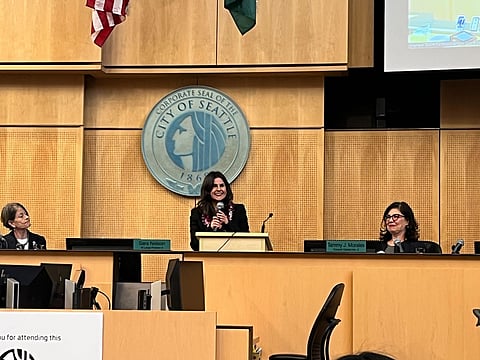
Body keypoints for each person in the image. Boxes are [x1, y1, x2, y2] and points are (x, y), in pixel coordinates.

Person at [189, 171, 249, 251]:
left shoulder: (239, 210)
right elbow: (194, 245)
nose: (219, 189)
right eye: (214, 186)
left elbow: (246, 239)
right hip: (208, 258)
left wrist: (227, 223)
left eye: (221, 186)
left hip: (234, 257)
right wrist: (210, 229)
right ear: (207, 190)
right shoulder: (197, 213)